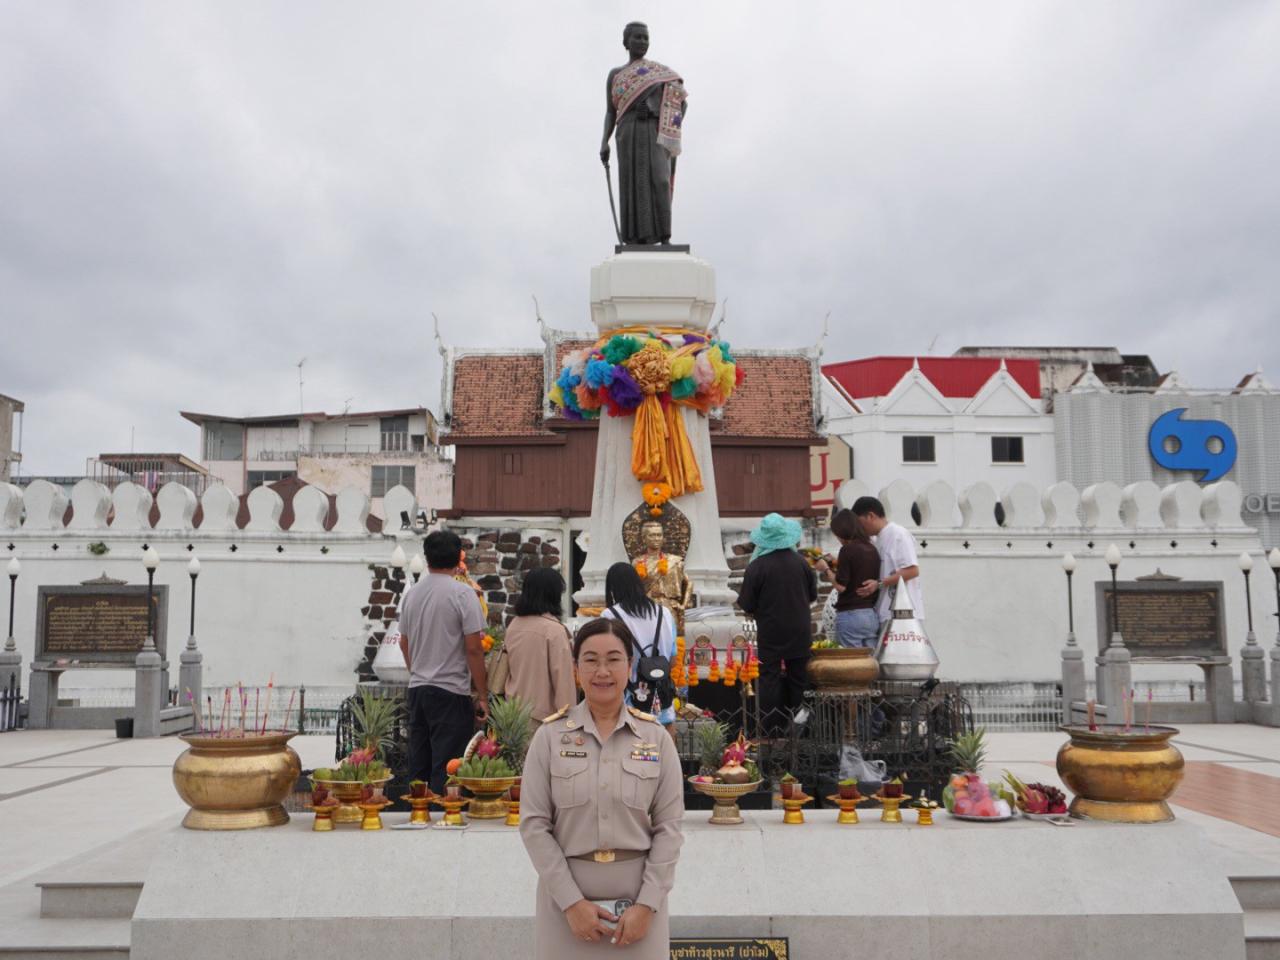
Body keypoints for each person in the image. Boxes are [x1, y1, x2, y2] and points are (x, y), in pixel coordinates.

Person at [520, 618, 684, 958]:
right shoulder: (549, 738)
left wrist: (646, 905)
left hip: (639, 912)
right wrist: (571, 903)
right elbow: (534, 826)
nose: (602, 671)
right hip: (565, 909)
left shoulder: (656, 740)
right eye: (591, 660)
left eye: (613, 659)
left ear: (630, 666)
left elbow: (669, 829)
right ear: (576, 667)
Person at [398, 530, 488, 795]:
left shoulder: (412, 594)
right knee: (448, 766)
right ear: (459, 558)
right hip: (450, 691)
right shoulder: (463, 594)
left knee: (419, 761)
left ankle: (418, 815)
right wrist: (482, 695)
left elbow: (404, 642)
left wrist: (417, 671)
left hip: (418, 689)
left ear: (427, 558)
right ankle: (444, 823)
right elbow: (474, 649)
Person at [600, 22, 689, 245]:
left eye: (645, 38)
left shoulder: (660, 74)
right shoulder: (616, 75)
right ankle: (634, 239)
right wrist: (604, 141)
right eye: (637, 37)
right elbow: (610, 112)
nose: (642, 42)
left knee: (659, 179)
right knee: (631, 184)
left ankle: (665, 238)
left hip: (654, 132)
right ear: (626, 42)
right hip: (627, 133)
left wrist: (655, 112)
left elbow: (681, 104)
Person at [737, 513, 817, 734]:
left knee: (769, 678)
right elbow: (812, 595)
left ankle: (772, 729)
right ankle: (802, 728)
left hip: (770, 630)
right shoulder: (801, 563)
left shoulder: (757, 567)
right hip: (799, 629)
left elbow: (747, 603)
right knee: (799, 677)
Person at [602, 562, 677, 731]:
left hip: (629, 699)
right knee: (665, 752)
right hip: (662, 698)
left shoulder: (610, 615)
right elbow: (672, 660)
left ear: (612, 588)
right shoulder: (664, 613)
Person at [501, 568, 576, 729]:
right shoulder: (554, 630)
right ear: (553, 594)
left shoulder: (514, 625)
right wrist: (570, 721)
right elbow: (563, 682)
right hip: (542, 718)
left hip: (511, 712)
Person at [852, 496, 924, 625]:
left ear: (870, 516)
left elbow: (912, 571)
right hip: (886, 612)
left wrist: (879, 584)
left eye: (860, 523)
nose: (859, 528)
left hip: (903, 614)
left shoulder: (898, 534)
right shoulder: (877, 539)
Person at [817, 509, 882, 648]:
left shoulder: (847, 549)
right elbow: (856, 574)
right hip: (870, 615)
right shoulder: (872, 548)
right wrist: (836, 565)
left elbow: (841, 586)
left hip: (851, 615)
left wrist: (826, 569)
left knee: (851, 665)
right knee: (869, 664)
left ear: (843, 531)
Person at [631, 520, 694, 633]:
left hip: (669, 607)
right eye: (652, 535)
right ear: (644, 538)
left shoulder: (674, 561)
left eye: (659, 535)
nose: (656, 538)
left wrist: (684, 605)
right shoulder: (637, 562)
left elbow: (688, 583)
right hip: (646, 608)